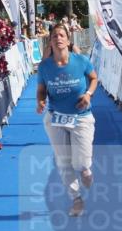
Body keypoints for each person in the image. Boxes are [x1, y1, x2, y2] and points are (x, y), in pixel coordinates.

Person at [36, 24, 98, 218]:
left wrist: (88, 94)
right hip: (56, 117)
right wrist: (40, 101)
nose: (58, 38)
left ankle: (85, 169)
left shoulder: (81, 61)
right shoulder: (45, 66)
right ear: (50, 41)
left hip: (81, 117)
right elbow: (41, 89)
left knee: (81, 162)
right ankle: (76, 199)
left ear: (68, 40)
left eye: (62, 35)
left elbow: (94, 78)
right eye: (54, 36)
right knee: (64, 162)